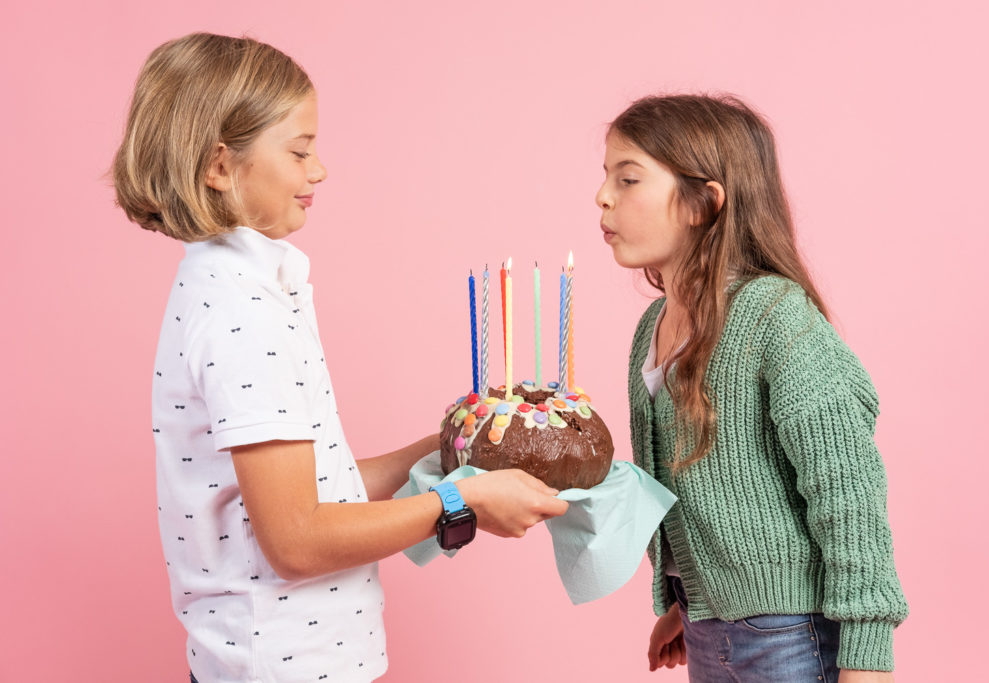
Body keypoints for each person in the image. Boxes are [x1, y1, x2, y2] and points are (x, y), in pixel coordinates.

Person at [112, 32, 567, 683]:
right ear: (219, 166)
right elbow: (296, 538)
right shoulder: (241, 311)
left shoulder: (237, 288)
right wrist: (459, 502)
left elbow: (306, 491)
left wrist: (453, 448)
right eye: (299, 151)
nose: (318, 171)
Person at [595, 94, 908, 683]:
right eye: (605, 176)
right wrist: (684, 601)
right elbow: (688, 486)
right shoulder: (652, 329)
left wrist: (867, 660)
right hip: (712, 627)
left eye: (628, 178)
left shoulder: (774, 317)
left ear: (703, 203)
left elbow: (849, 492)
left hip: (791, 632)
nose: (603, 197)